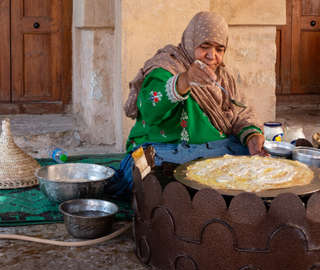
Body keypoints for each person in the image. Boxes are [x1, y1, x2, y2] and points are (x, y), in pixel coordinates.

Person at [108, 11, 265, 197]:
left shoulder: (224, 78)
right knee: (144, 172)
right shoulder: (165, 67)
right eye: (204, 46)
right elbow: (150, 109)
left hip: (213, 149)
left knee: (260, 164)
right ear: (191, 42)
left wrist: (252, 136)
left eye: (219, 49)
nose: (211, 55)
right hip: (165, 151)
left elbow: (241, 112)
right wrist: (184, 81)